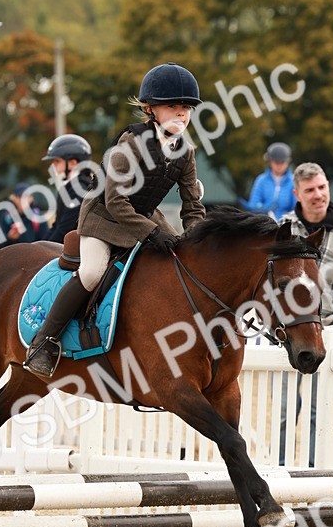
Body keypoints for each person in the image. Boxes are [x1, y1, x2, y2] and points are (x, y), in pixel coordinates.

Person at [23, 62, 206, 378]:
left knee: (178, 258)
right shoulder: (131, 144)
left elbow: (193, 206)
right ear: (150, 109)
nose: (181, 114)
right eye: (173, 106)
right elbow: (116, 202)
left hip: (144, 216)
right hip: (104, 217)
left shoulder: (185, 152)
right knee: (93, 272)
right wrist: (150, 234)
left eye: (186, 107)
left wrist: (197, 239)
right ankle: (44, 341)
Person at [279, 162, 333, 465]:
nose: (318, 195)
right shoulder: (283, 228)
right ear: (297, 194)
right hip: (288, 332)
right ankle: (279, 470)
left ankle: (314, 472)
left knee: (321, 409)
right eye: (310, 190)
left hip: (327, 332)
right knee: (284, 408)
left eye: (322, 187)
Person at [42, 134, 94, 245]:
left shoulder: (78, 190)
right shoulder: (70, 188)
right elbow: (57, 226)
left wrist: (43, 248)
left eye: (57, 161)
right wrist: (37, 246)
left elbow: (64, 231)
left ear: (72, 163)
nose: (53, 165)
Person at [240, 142, 296, 220]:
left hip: (287, 223)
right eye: (276, 162)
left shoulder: (293, 181)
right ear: (270, 162)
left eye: (282, 162)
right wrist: (264, 209)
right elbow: (254, 203)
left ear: (287, 162)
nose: (279, 166)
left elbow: (296, 206)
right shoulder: (261, 180)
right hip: (265, 222)